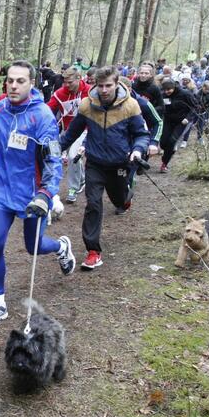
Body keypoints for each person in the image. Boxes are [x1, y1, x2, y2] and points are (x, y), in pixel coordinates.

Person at [0, 60, 76, 327]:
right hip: (2, 190)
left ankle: (61, 246)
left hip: (32, 194)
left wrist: (46, 193)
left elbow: (53, 159)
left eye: (20, 81)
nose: (13, 85)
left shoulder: (42, 115)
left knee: (33, 246)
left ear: (31, 83)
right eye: (10, 80)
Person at [59, 67, 149, 270]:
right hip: (95, 163)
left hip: (120, 163)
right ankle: (93, 251)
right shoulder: (87, 105)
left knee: (119, 199)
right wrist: (54, 151)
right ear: (95, 85)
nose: (104, 90)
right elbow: (71, 133)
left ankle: (126, 201)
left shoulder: (131, 105)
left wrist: (137, 150)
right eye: (100, 86)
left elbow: (142, 134)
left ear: (117, 83)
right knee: (93, 203)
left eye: (108, 85)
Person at [46, 67, 90, 203]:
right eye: (65, 82)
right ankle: (82, 180)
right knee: (52, 153)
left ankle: (73, 188)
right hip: (68, 131)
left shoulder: (89, 91)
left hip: (85, 129)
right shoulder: (60, 93)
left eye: (70, 82)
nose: (67, 85)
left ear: (79, 78)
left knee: (73, 156)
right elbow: (48, 109)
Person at [158, 79, 196, 172]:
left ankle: (164, 163)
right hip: (168, 120)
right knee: (163, 142)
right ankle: (169, 151)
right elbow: (160, 106)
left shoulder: (185, 94)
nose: (167, 92)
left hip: (181, 122)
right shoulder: (163, 95)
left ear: (174, 87)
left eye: (169, 89)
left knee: (172, 141)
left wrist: (187, 118)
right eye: (165, 90)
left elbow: (195, 107)